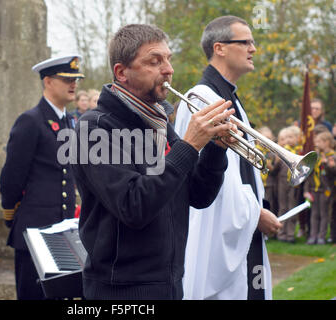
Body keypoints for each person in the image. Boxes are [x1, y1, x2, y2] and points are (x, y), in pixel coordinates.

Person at [71, 23, 239, 300]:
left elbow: (199, 195)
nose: (168, 69)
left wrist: (215, 150)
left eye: (168, 59)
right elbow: (134, 206)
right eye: (154, 60)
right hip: (120, 291)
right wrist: (188, 146)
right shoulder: (95, 128)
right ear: (121, 72)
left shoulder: (158, 122)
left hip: (170, 283)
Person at [175, 16, 282, 300]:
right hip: (214, 237)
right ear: (219, 48)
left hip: (239, 226)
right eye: (245, 42)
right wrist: (256, 214)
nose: (253, 49)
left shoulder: (230, 98)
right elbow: (205, 180)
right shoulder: (200, 98)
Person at [0, 54, 83, 299]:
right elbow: (12, 177)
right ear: (48, 81)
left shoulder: (69, 121)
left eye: (76, 79)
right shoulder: (30, 121)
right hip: (35, 232)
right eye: (67, 79)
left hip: (62, 233)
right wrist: (10, 212)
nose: (73, 85)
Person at [304, 131, 335, 244]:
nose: (316, 144)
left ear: (326, 142)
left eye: (318, 141)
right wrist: (306, 191)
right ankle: (313, 236)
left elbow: (332, 173)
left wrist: (327, 164)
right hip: (313, 190)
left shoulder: (332, 156)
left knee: (324, 214)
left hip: (326, 191)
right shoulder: (315, 157)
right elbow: (309, 174)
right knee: (314, 214)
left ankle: (321, 236)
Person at [276, 126, 299, 243]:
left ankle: (290, 234)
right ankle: (281, 232)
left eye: (290, 137)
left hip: (293, 182)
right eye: (284, 139)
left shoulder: (298, 152)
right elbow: (274, 171)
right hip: (282, 182)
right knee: (283, 207)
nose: (287, 141)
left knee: (292, 207)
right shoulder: (279, 153)